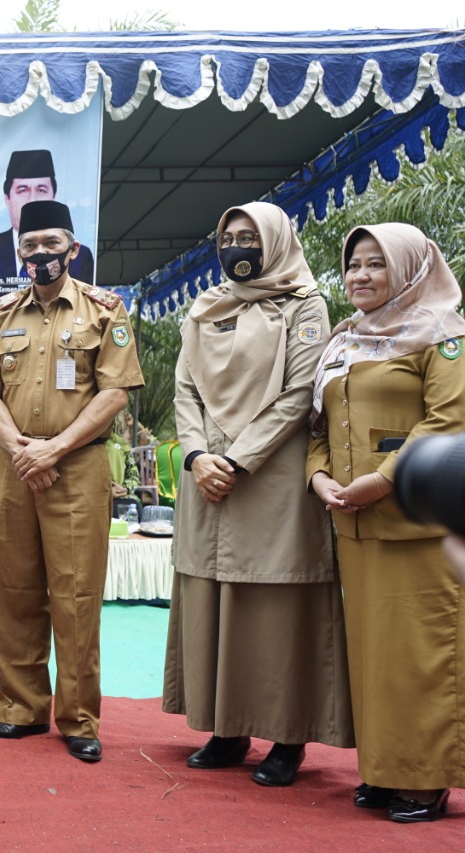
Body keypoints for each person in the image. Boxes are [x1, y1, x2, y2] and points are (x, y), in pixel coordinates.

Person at [162, 202, 354, 787]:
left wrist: (237, 461)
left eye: (250, 238)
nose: (237, 248)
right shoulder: (205, 306)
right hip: (206, 479)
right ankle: (227, 728)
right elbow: (184, 390)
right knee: (216, 598)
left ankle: (287, 736)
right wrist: (197, 457)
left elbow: (301, 394)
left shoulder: (304, 305)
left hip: (268, 478)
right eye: (228, 238)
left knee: (277, 605)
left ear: (274, 242)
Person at [0, 200, 143, 762]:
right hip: (14, 466)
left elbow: (114, 392)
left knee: (76, 593)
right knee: (12, 589)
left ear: (72, 249)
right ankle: (20, 708)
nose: (40, 254)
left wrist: (55, 449)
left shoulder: (104, 310)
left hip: (77, 466)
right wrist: (18, 448)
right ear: (18, 251)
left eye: (50, 244)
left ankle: (79, 718)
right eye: (30, 245)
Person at [308, 223, 465, 822]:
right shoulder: (345, 341)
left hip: (416, 521)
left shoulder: (444, 337)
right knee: (375, 659)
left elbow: (448, 422)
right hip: (354, 524)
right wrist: (319, 479)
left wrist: (379, 482)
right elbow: (318, 427)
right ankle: (386, 766)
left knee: (425, 654)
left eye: (377, 264)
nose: (361, 276)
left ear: (410, 269)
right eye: (353, 265)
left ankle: (427, 780)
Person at [0, 150, 95, 298]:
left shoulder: (82, 257)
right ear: (7, 198)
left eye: (41, 189)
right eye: (22, 190)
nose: (32, 198)